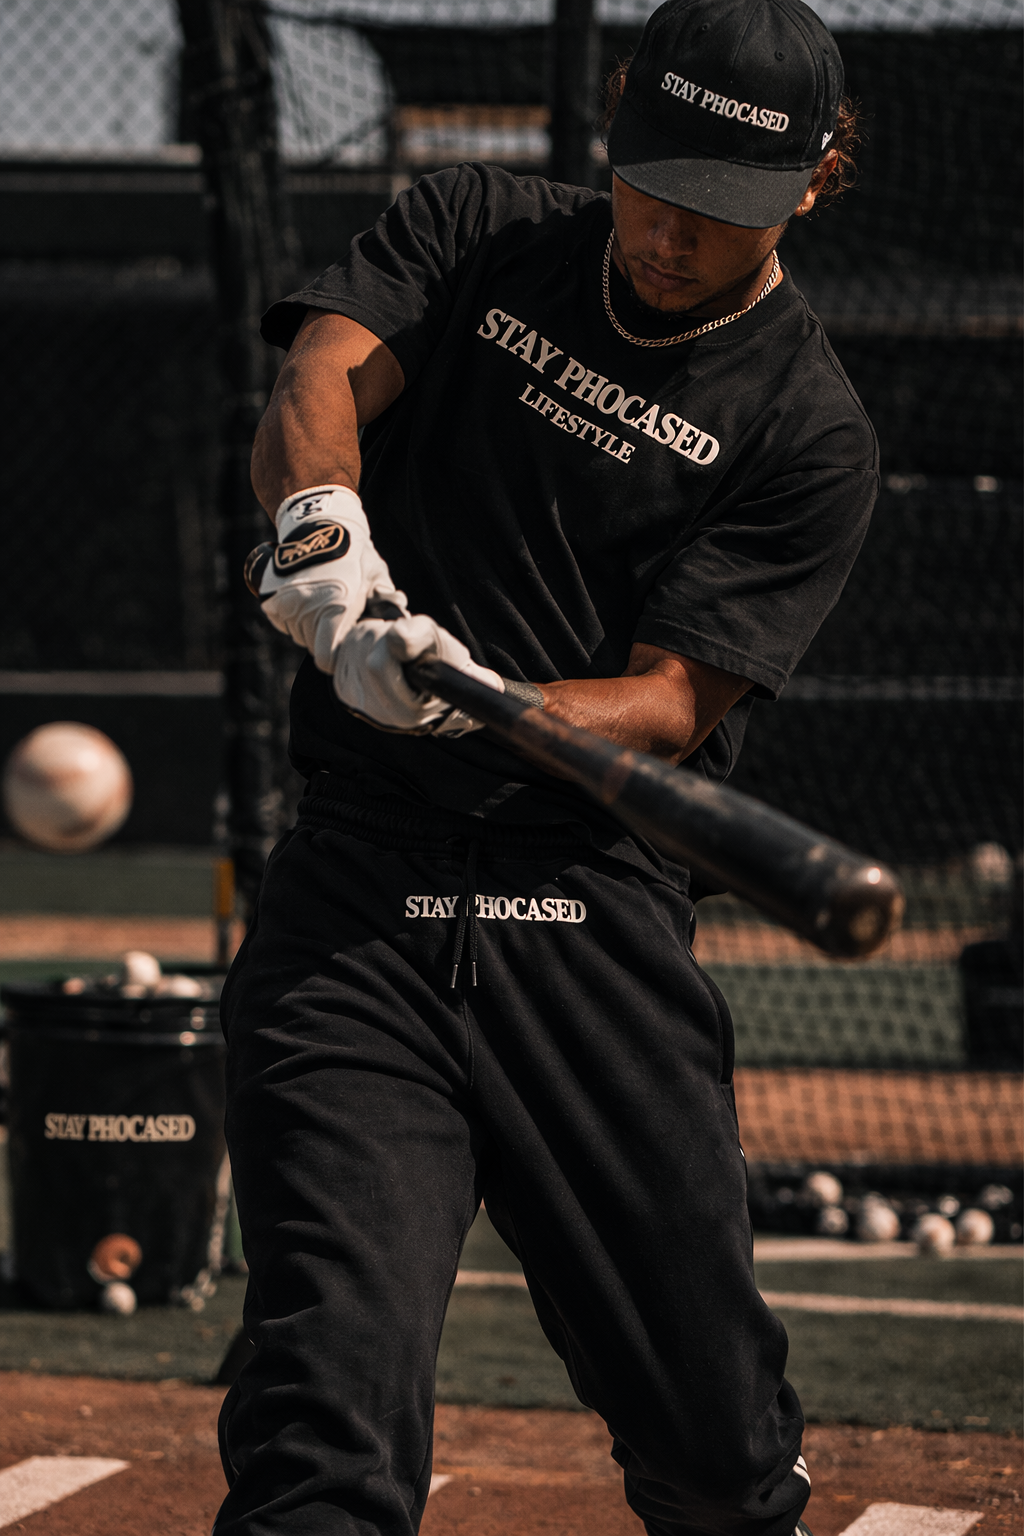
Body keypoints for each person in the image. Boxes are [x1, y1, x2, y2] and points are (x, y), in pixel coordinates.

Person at [215, 1, 876, 1532]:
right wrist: (323, 541)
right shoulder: (479, 228)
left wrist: (467, 695)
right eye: (650, 182)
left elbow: (665, 704)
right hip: (356, 909)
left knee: (718, 1456)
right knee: (323, 1412)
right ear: (613, 119)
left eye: (717, 211)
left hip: (587, 923)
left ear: (815, 184)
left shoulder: (809, 429)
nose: (665, 233)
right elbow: (322, 376)